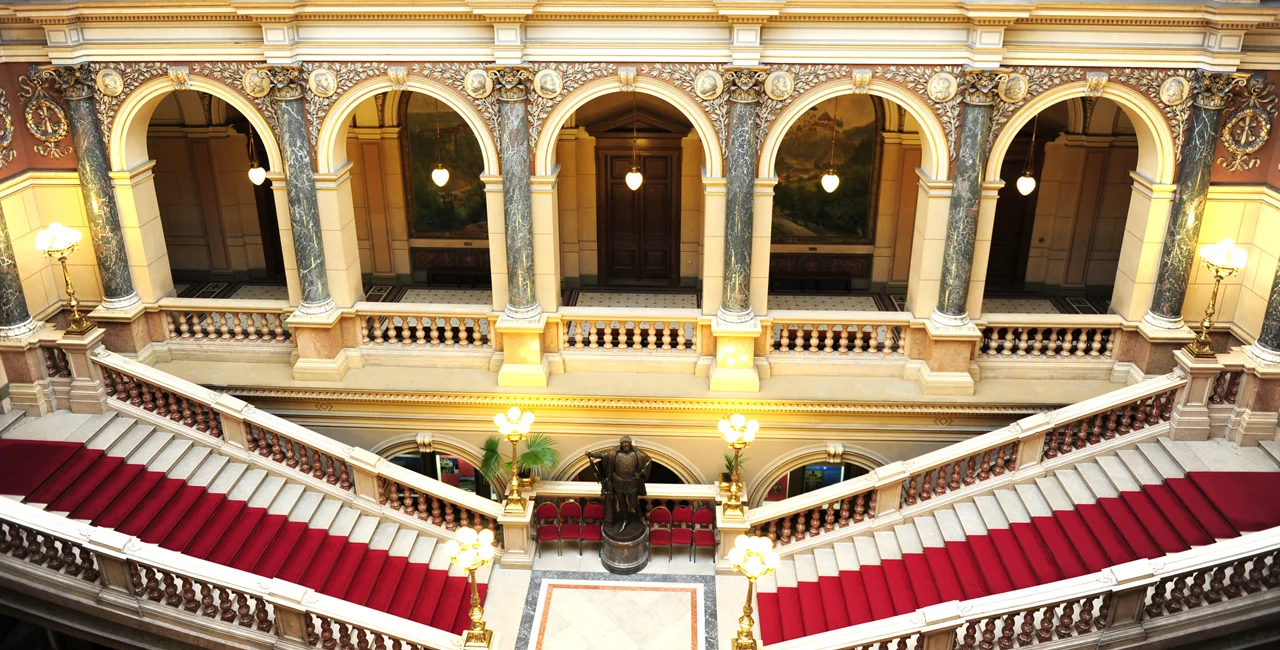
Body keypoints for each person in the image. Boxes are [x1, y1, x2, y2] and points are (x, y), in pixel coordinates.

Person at [586, 436, 652, 533]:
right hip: (618, 482)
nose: (625, 445)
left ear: (630, 443)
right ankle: (625, 519)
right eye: (623, 443)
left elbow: (648, 460)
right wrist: (592, 454)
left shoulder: (637, 453)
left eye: (627, 443)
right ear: (621, 444)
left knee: (633, 503)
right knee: (621, 502)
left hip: (632, 482)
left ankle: (640, 516)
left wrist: (641, 473)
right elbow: (603, 455)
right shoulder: (614, 453)